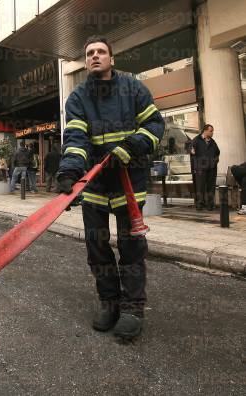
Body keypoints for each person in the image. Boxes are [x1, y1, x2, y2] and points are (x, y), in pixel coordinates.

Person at [56, 36, 165, 341]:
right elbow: (76, 138)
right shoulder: (77, 98)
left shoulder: (134, 89)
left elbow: (155, 126)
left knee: (131, 248)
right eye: (89, 53)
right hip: (95, 186)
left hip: (129, 183)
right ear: (86, 60)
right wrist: (68, 172)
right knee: (98, 248)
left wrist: (130, 145)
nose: (95, 56)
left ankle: (132, 309)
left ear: (111, 59)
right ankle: (110, 303)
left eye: (101, 52)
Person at [190, 124, 220, 211]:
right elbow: (191, 150)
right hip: (200, 168)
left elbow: (217, 152)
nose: (212, 133)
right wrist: (192, 152)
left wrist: (215, 162)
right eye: (211, 131)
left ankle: (210, 204)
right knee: (200, 186)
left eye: (212, 131)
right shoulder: (196, 140)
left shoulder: (212, 142)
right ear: (205, 131)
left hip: (211, 168)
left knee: (211, 187)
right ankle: (200, 204)